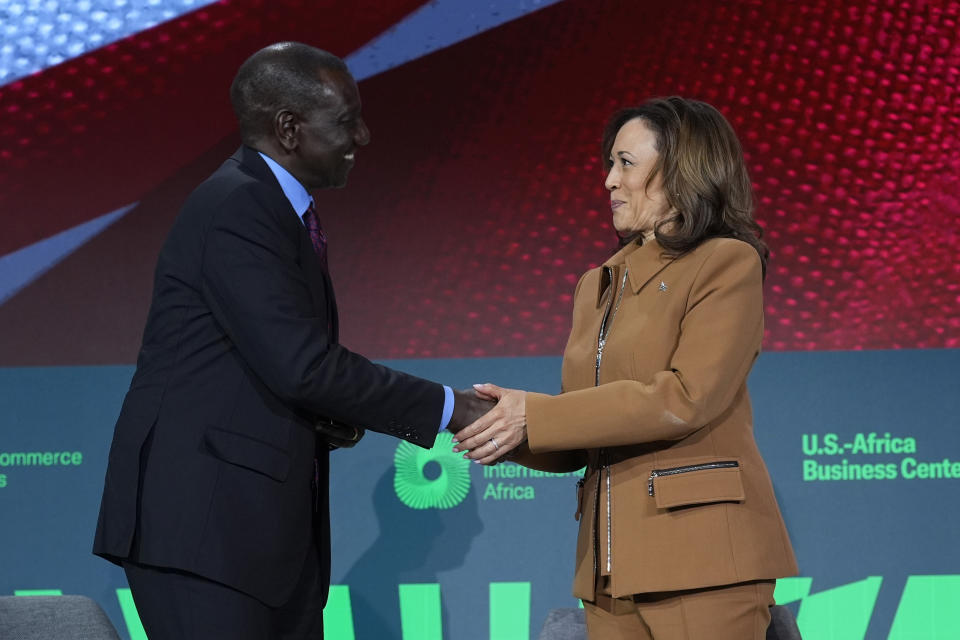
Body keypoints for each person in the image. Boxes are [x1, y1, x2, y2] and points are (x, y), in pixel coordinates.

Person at [92, 42, 490, 639]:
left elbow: (261, 367)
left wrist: (327, 416)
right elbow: (303, 367)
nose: (364, 133)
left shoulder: (269, 208)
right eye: (346, 118)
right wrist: (455, 409)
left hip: (249, 540)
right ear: (288, 128)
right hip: (208, 534)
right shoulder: (238, 207)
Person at [453, 97, 798, 639]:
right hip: (608, 572)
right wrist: (502, 428)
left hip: (702, 560)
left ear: (682, 169)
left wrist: (537, 416)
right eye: (609, 165)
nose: (609, 181)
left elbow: (685, 396)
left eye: (625, 163)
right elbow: (585, 432)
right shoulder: (597, 283)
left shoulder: (727, 261)